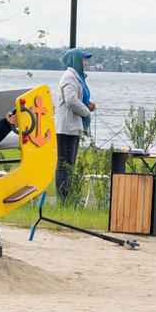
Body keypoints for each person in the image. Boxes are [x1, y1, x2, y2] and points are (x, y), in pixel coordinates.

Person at [50, 48, 93, 204]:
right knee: (64, 163)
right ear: (75, 60)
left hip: (72, 127)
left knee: (70, 163)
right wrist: (86, 112)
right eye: (84, 60)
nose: (86, 63)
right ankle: (63, 199)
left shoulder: (77, 77)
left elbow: (77, 98)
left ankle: (68, 198)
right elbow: (71, 100)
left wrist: (88, 105)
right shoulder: (69, 77)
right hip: (66, 127)